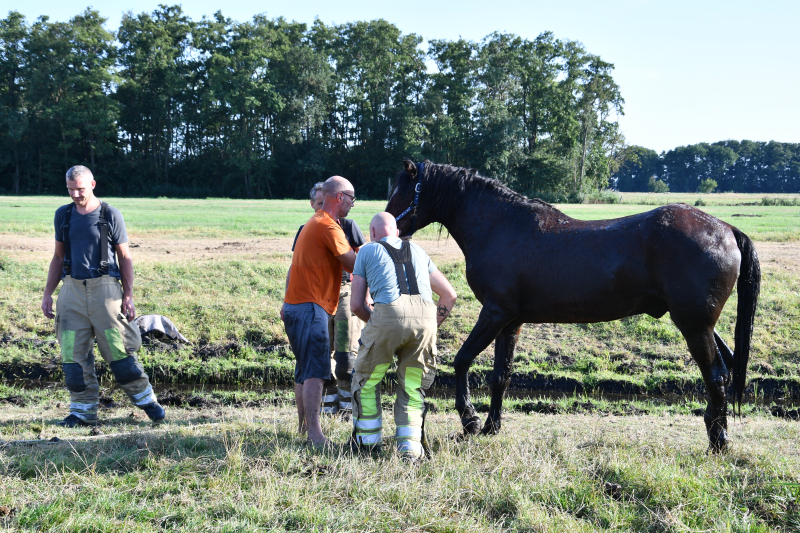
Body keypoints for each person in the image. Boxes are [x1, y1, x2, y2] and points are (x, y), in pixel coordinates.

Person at [41, 165, 165, 427]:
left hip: (106, 291)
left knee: (120, 354)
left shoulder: (110, 214)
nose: (75, 194)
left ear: (93, 185)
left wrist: (128, 295)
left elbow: (125, 257)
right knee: (72, 358)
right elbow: (58, 257)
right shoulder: (63, 215)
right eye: (70, 189)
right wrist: (47, 294)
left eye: (80, 189)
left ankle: (149, 404)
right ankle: (82, 413)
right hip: (71, 292)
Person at [350, 213, 457, 460]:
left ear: (372, 233)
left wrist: (379, 325)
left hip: (387, 317)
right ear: (397, 233)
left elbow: (356, 305)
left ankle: (367, 445)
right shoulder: (419, 250)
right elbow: (449, 295)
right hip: (426, 321)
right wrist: (431, 325)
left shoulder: (367, 250)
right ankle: (410, 449)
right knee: (412, 384)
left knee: (368, 380)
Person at [281, 176, 357, 447]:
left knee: (304, 369)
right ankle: (315, 435)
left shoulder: (313, 222)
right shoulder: (328, 226)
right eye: (352, 198)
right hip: (312, 307)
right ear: (340, 197)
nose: (353, 204)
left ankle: (305, 429)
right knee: (315, 371)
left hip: (296, 305)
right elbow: (353, 264)